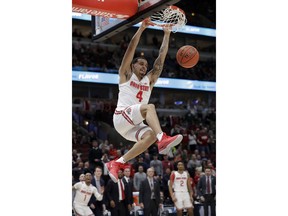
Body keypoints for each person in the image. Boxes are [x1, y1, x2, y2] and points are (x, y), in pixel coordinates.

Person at [105, 18, 183, 183]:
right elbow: (131, 49)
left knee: (150, 136)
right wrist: (141, 29)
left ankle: (117, 162)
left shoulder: (149, 80)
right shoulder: (126, 75)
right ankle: (163, 138)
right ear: (133, 66)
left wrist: (167, 34)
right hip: (121, 117)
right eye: (140, 63)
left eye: (145, 64)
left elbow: (160, 61)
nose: (143, 66)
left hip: (132, 126)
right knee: (149, 108)